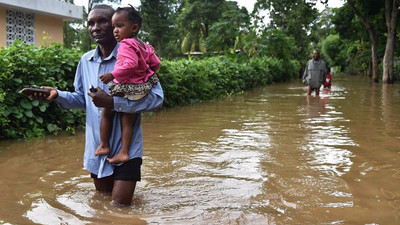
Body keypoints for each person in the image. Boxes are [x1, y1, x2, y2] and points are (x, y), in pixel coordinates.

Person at [29, 4, 163, 206]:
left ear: (117, 26)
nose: (95, 27)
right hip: (97, 147)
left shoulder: (135, 56)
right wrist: (57, 95)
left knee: (120, 207)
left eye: (102, 21)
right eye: (91, 23)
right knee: (102, 206)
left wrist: (113, 102)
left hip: (128, 149)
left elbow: (157, 99)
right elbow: (83, 99)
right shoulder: (85, 61)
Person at [94, 5, 161, 164]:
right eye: (113, 27)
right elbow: (156, 63)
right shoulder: (145, 46)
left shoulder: (126, 45)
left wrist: (113, 74)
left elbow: (130, 65)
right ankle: (124, 152)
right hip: (141, 88)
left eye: (120, 26)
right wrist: (146, 74)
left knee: (106, 112)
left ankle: (104, 145)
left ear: (134, 28)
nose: (115, 30)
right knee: (127, 120)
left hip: (126, 87)